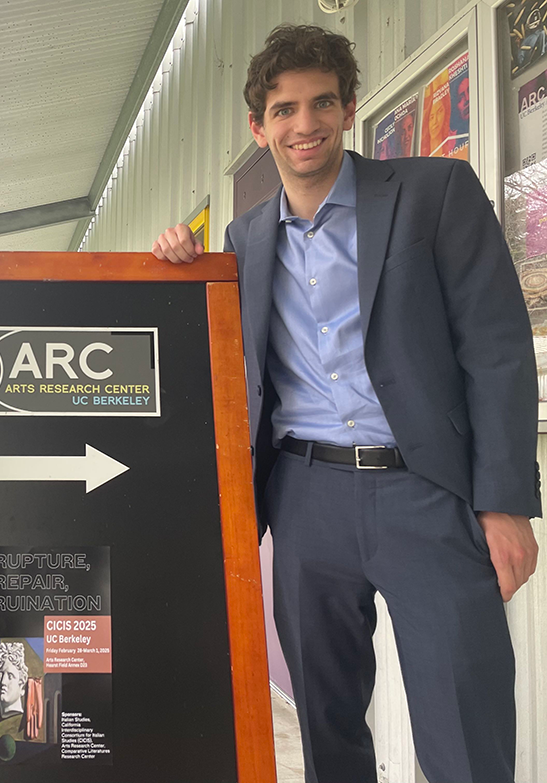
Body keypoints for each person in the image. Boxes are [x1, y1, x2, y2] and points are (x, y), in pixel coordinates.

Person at [153, 24, 539, 783]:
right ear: (258, 126)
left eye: (322, 103)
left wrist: (504, 504)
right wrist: (176, 268)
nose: (306, 124)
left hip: (428, 492)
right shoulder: (244, 238)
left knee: (467, 721)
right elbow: (220, 360)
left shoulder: (434, 193)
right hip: (304, 499)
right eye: (286, 108)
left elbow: (496, 350)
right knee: (325, 724)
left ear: (350, 108)